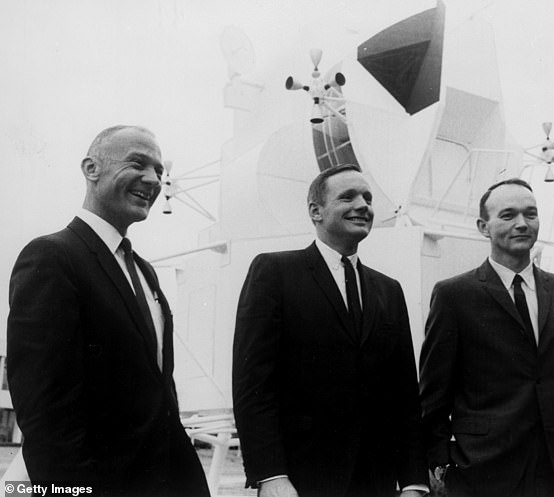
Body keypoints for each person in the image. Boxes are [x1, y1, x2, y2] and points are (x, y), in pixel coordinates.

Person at [7, 125, 210, 497]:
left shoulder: (144, 271)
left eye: (160, 172)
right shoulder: (52, 258)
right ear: (91, 169)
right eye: (138, 163)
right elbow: (46, 417)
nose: (153, 179)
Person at [232, 164, 429, 497]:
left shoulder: (388, 290)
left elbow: (403, 394)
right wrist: (270, 475)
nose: (363, 205)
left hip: (375, 481)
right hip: (301, 479)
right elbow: (253, 384)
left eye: (367, 198)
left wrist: (413, 481)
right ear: (316, 210)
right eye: (348, 196)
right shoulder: (275, 272)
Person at [418, 178, 554, 497]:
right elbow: (434, 397)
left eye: (531, 214)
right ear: (484, 226)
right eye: (508, 215)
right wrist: (438, 468)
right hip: (483, 474)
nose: (522, 223)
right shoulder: (453, 295)